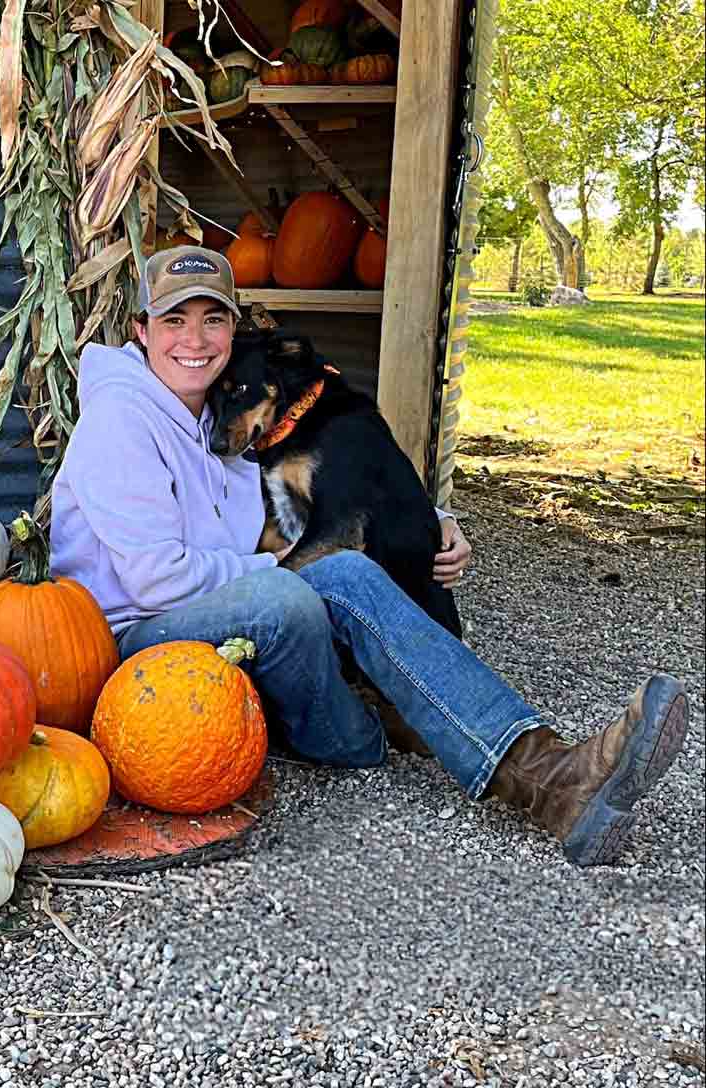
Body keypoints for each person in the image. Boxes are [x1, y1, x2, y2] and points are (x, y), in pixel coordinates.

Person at [49, 245, 687, 867]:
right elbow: (158, 579)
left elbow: (312, 500)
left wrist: (430, 520)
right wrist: (283, 572)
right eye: (174, 320)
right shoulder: (122, 419)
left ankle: (550, 776)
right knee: (306, 601)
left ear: (233, 328)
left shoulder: (218, 416)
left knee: (341, 594)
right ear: (140, 330)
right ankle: (410, 726)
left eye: (212, 318)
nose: (196, 338)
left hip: (221, 634)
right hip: (135, 645)